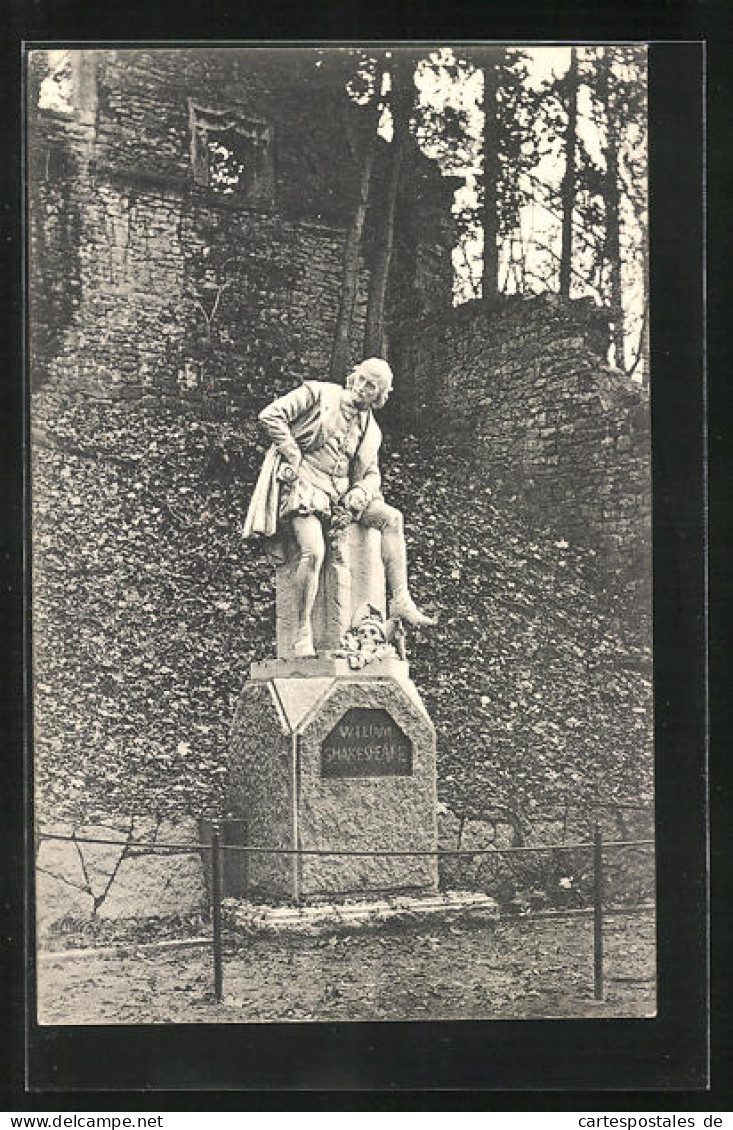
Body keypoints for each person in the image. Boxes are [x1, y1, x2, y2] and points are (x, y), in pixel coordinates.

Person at [244, 357, 436, 657]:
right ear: (353, 377)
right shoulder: (318, 394)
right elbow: (271, 415)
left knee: (392, 518)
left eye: (371, 386)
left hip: (341, 494)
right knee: (313, 551)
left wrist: (359, 493)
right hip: (305, 484)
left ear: (380, 396)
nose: (361, 388)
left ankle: (400, 598)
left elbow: (372, 474)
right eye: (360, 379)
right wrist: (291, 453)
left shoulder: (371, 430)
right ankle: (302, 630)